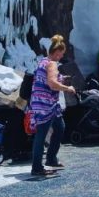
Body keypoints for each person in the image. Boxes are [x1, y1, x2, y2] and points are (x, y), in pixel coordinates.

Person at [28, 35, 77, 177]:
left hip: (44, 103)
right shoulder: (52, 63)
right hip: (46, 104)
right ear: (56, 53)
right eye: (61, 54)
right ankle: (36, 167)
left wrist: (62, 79)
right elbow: (51, 83)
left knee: (59, 127)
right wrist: (67, 88)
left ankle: (51, 158)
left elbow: (49, 79)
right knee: (41, 134)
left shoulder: (43, 61)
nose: (61, 57)